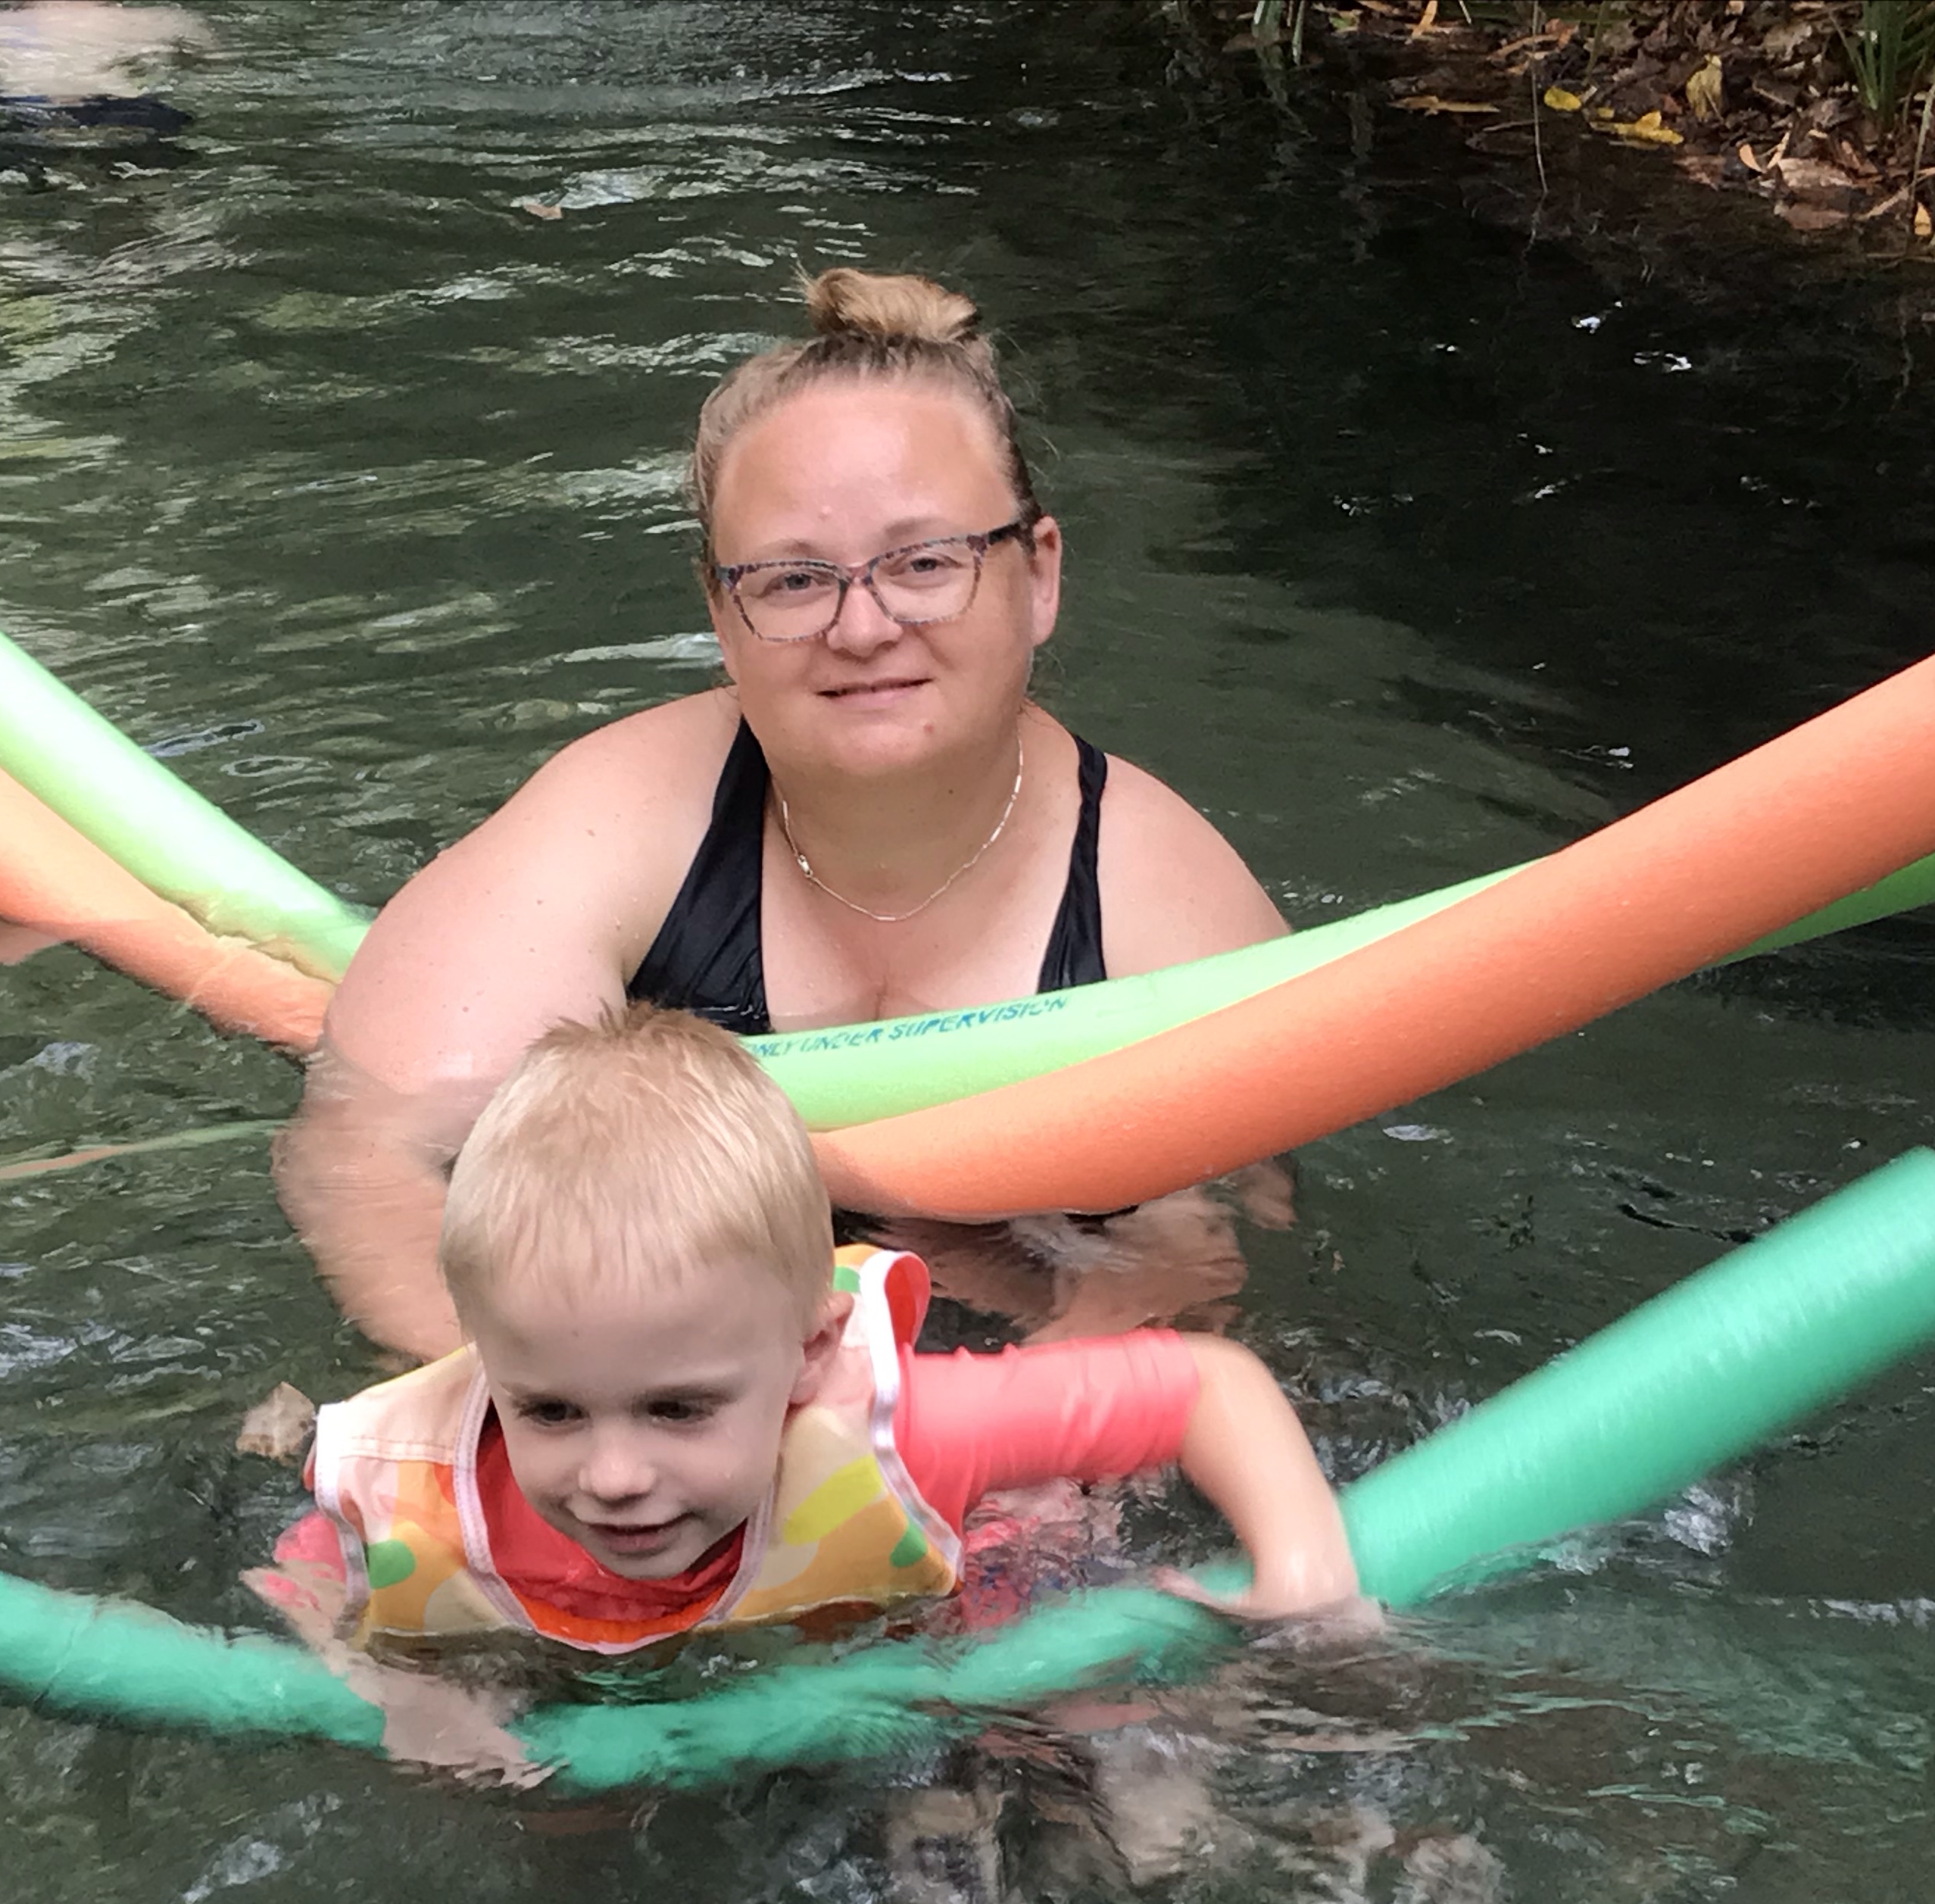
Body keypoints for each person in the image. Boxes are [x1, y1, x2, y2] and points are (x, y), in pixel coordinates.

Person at [276, 268, 1291, 1358]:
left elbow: (1203, 1268)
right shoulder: (626, 814)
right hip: (641, 1358)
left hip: (1008, 1342)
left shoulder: (1165, 904)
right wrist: (602, 1421)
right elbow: (372, 1155)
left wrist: (948, 1433)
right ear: (722, 615)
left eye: (926, 563)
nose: (863, 628)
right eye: (794, 581)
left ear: (1038, 577)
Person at [248, 1006, 1358, 1659]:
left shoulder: (907, 1432)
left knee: (1067, 1690)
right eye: (549, 1410)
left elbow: (1207, 1386)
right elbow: (296, 1585)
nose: (614, 1475)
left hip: (899, 1592)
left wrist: (1307, 1571)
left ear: (811, 1352)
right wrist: (385, 1691)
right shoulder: (435, 1492)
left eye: (679, 1409)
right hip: (638, 1661)